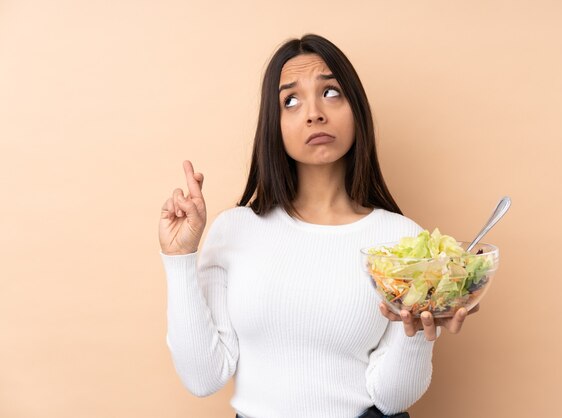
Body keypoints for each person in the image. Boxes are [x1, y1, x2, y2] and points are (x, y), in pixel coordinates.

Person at [158, 34, 476, 418]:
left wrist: (418, 334)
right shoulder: (234, 231)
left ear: (356, 108)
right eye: (290, 100)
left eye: (331, 93)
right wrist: (179, 258)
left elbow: (392, 399)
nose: (314, 113)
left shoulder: (401, 239)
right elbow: (202, 378)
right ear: (272, 124)